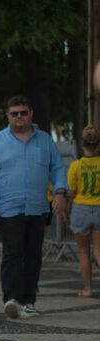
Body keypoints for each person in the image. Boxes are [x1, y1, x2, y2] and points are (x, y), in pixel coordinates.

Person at [0, 96, 67, 319]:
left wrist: (60, 193)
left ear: (31, 114)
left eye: (23, 112)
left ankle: (29, 301)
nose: (19, 117)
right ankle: (11, 299)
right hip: (8, 208)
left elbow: (57, 169)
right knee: (12, 254)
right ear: (7, 115)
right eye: (14, 113)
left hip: (37, 208)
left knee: (33, 255)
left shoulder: (45, 141)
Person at [67, 125, 100, 298]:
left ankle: (88, 289)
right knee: (99, 251)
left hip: (81, 209)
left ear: (82, 144)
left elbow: (71, 192)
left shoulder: (76, 166)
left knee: (83, 252)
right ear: (98, 144)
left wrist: (66, 210)